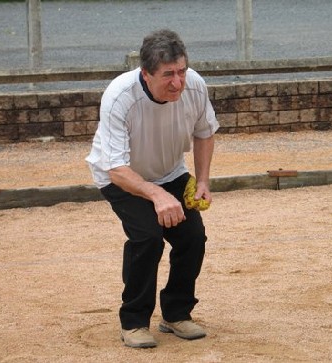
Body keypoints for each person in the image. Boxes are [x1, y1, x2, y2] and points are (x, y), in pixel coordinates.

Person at [86, 29, 219, 349]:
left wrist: (201, 180)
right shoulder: (120, 95)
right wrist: (157, 195)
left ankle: (176, 314)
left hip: (170, 171)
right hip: (120, 176)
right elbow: (116, 167)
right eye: (168, 75)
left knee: (192, 237)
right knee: (147, 237)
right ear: (145, 74)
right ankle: (133, 322)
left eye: (182, 71)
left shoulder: (195, 86)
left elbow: (204, 133)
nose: (178, 82)